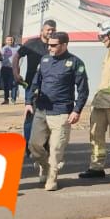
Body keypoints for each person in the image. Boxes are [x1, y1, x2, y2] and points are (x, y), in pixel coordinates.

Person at [26, 32, 89, 191]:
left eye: (54, 45)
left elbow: (83, 90)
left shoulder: (75, 63)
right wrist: (28, 102)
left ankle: (52, 178)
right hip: (41, 110)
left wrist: (77, 110)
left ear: (64, 45)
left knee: (56, 148)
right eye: (48, 44)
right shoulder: (45, 60)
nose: (50, 47)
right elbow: (35, 82)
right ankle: (45, 166)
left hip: (62, 112)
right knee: (34, 145)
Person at [78, 21, 110, 183]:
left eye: (103, 36)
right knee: (95, 134)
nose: (101, 39)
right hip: (101, 102)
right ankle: (96, 167)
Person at [15, 19, 57, 147]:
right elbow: (17, 56)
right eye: (48, 30)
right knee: (30, 115)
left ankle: (44, 144)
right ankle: (28, 144)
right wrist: (16, 73)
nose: (50, 32)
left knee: (47, 116)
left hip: (49, 87)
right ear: (42, 31)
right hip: (31, 86)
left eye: (53, 30)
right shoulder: (32, 43)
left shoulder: (55, 44)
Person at [0, 36, 19, 104]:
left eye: (11, 40)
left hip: (14, 68)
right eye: (8, 40)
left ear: (13, 40)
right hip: (5, 68)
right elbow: (0, 57)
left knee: (14, 83)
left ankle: (13, 99)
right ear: (6, 41)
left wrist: (18, 65)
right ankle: (6, 99)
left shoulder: (17, 48)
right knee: (5, 84)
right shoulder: (3, 49)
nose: (9, 41)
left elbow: (21, 57)